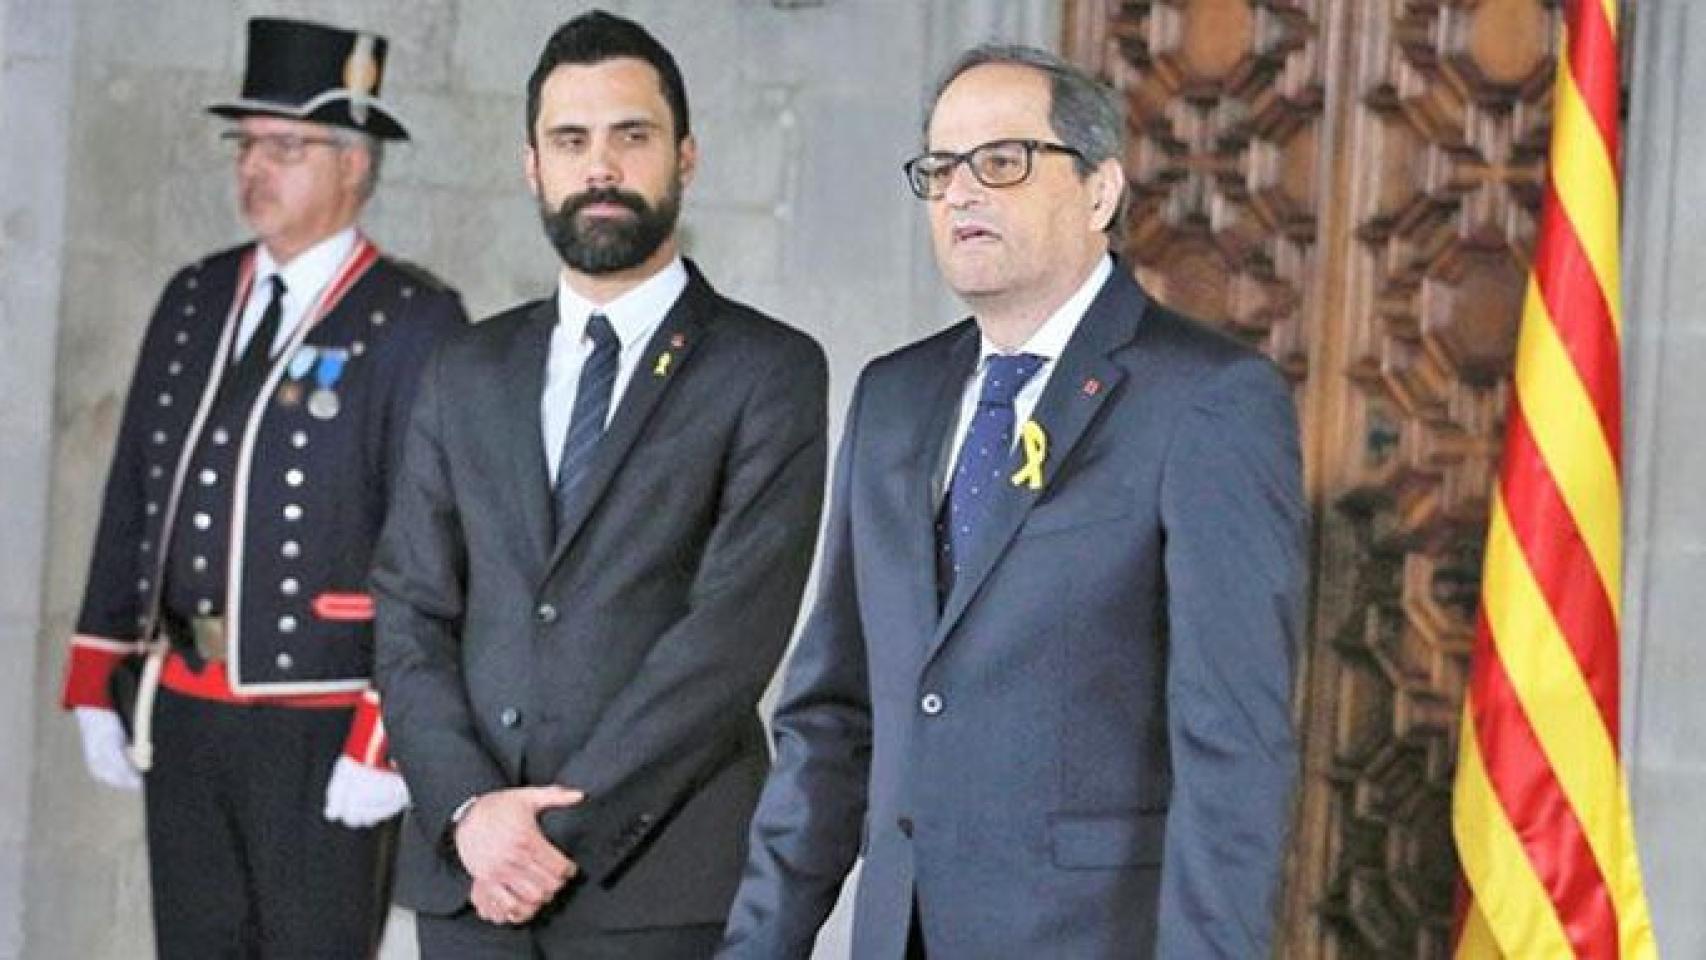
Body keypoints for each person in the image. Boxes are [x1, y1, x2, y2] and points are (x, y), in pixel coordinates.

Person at [721, 43, 1305, 959]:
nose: (961, 192)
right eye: (941, 170)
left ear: (1100, 191)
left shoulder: (1207, 402)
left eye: (1001, 162)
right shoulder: (893, 397)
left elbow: (1234, 749)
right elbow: (833, 718)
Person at [371, 10, 828, 959]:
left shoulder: (768, 370)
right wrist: (470, 813)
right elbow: (411, 612)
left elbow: (729, 640)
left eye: (633, 135)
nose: (602, 167)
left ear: (686, 156)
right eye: (571, 140)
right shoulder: (466, 369)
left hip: (657, 882)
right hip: (470, 882)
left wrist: (552, 835)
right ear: (532, 165)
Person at [59, 16, 467, 958]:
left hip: (322, 721)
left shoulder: (413, 320)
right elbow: (134, 491)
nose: (256, 167)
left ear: (355, 166)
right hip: (186, 709)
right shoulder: (196, 295)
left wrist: (389, 735)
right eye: (247, 144)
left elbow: (438, 542)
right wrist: (96, 671)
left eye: (287, 147)